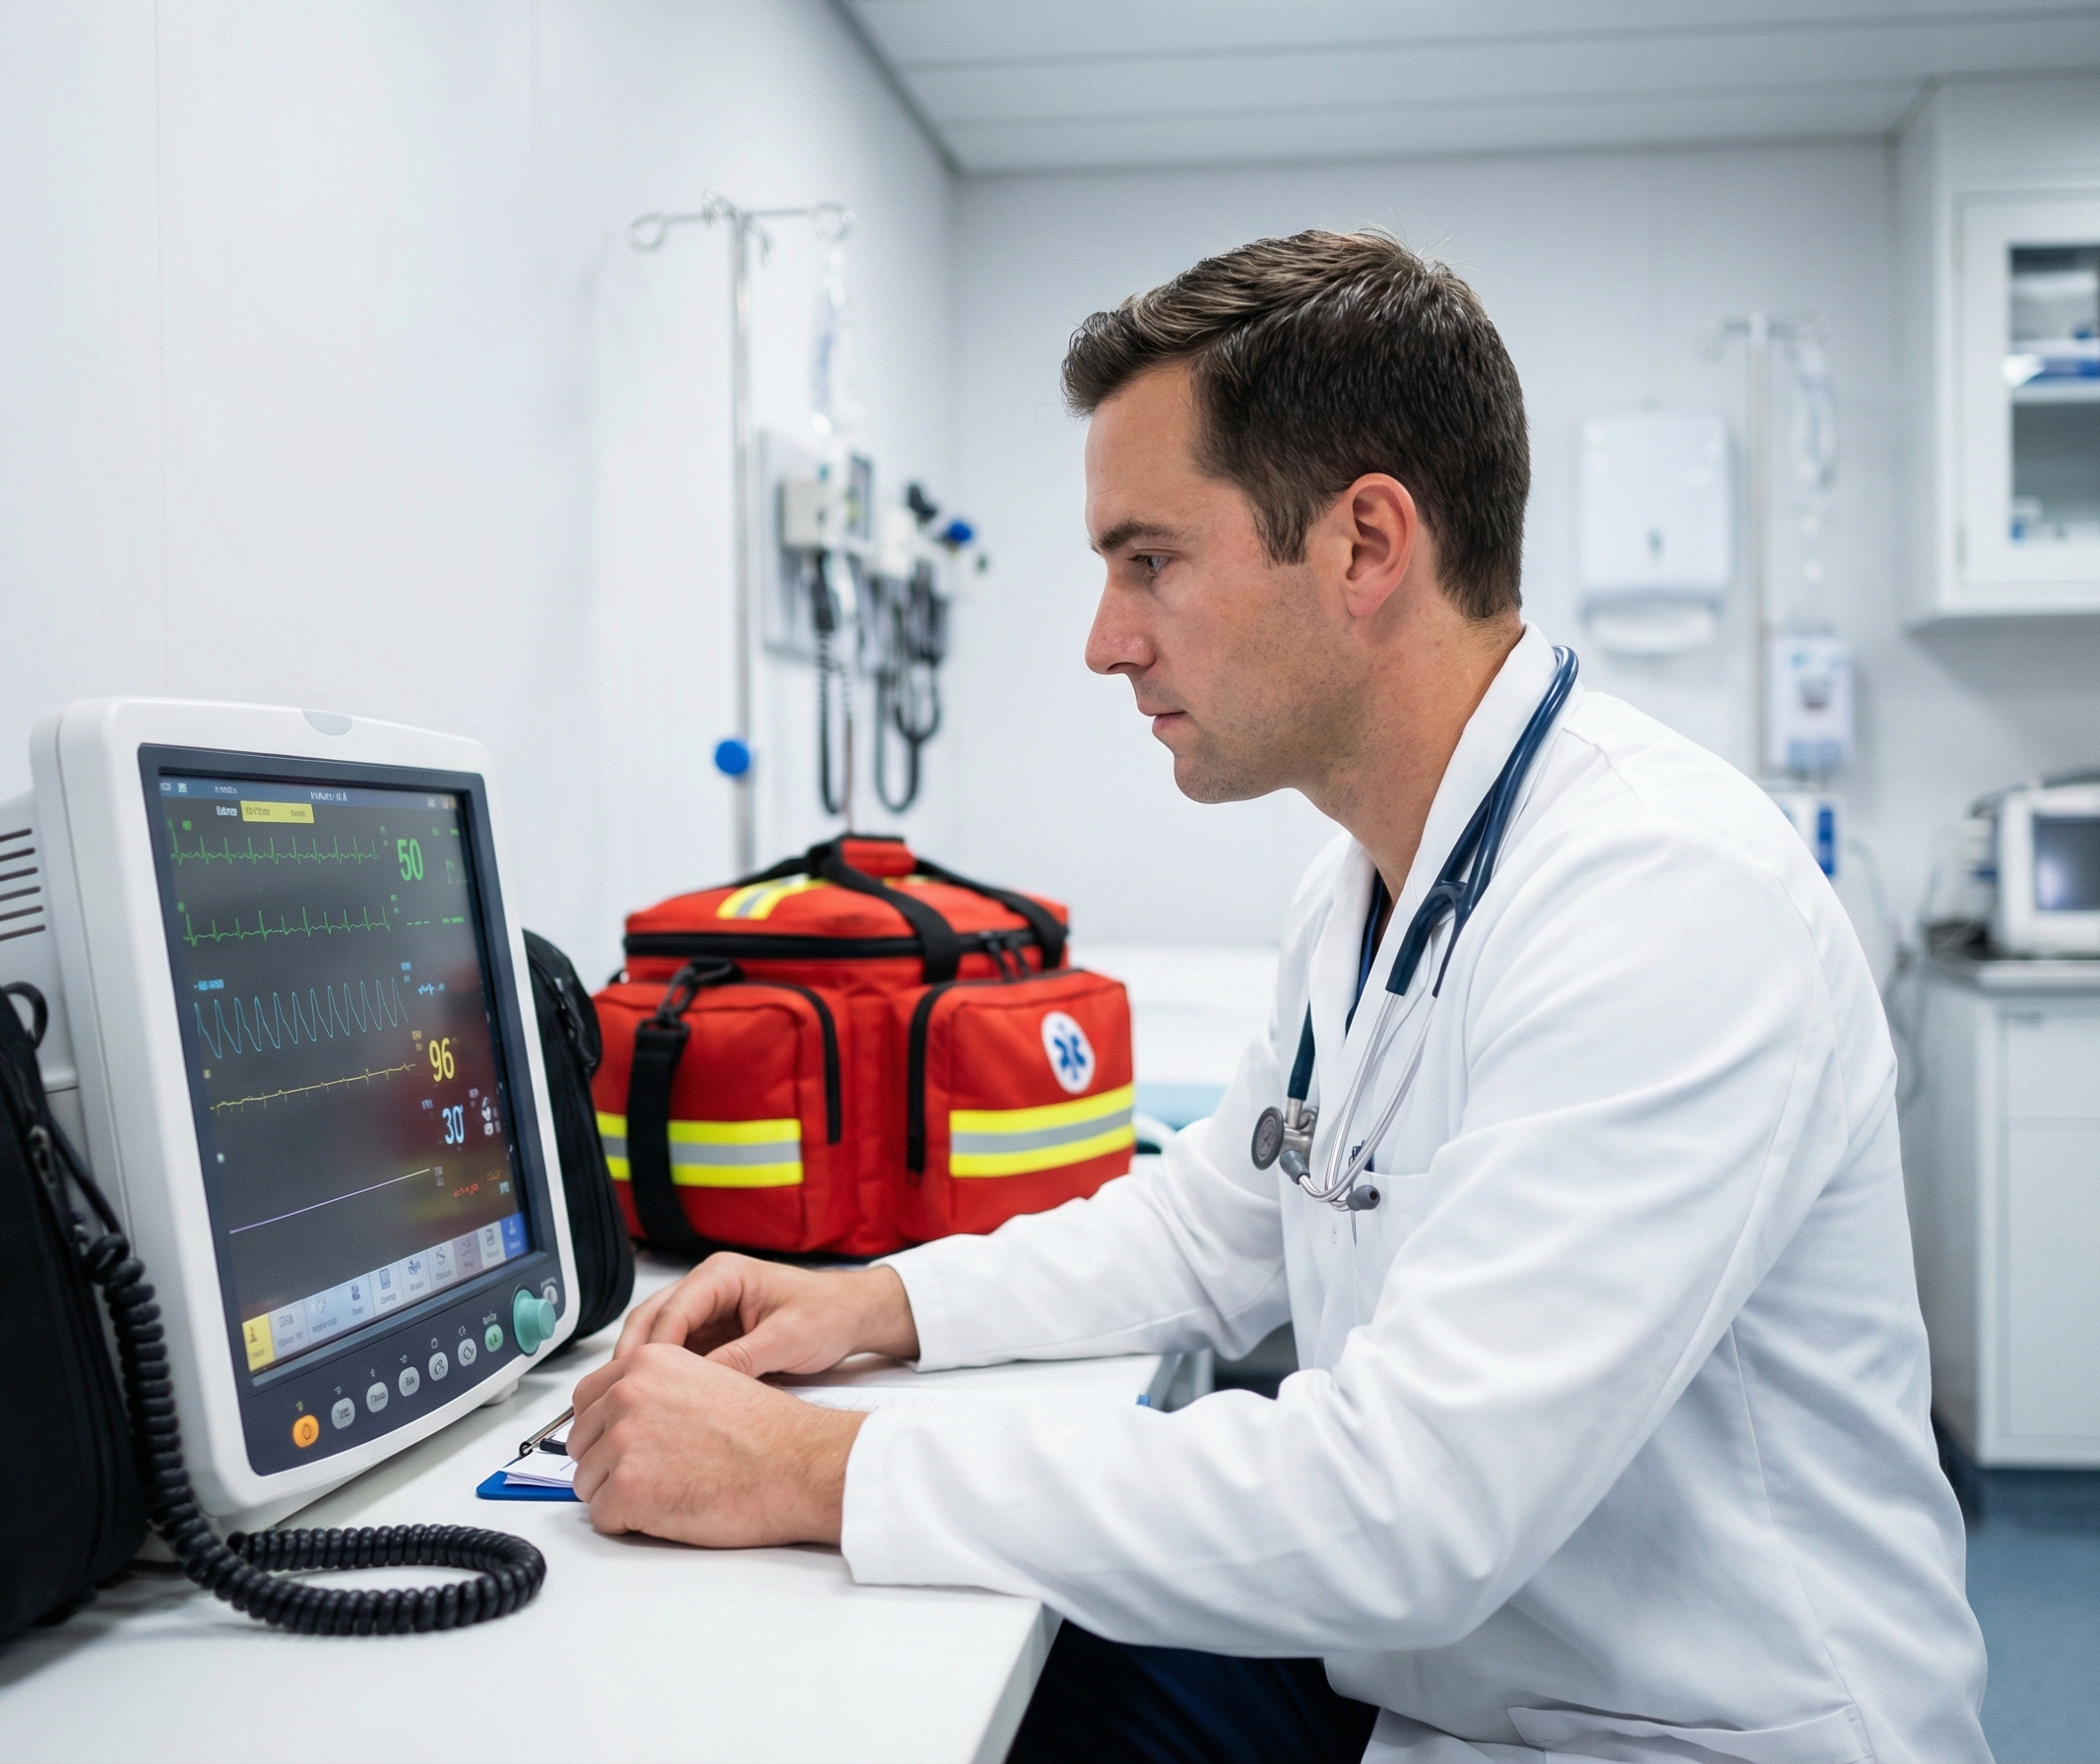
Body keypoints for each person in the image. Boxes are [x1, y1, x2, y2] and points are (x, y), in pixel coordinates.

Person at [567, 230, 1991, 1764]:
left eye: (1150, 559)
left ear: (1368, 544)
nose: (1108, 640)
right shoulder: (1366, 881)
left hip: (1675, 1732)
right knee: (931, 1680)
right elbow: (1211, 1228)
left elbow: (1412, 1505)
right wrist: (874, 1305)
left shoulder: (1667, 898)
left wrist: (814, 1472)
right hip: (1440, 1682)